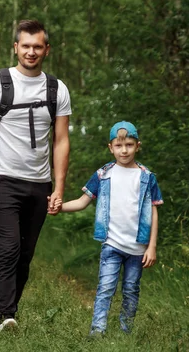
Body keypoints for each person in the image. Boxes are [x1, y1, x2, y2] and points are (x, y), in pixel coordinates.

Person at [0, 20, 72, 330]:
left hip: (39, 184)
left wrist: (58, 187)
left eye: (37, 46)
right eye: (25, 46)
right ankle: (5, 316)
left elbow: (61, 141)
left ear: (46, 50)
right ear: (15, 47)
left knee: (25, 254)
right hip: (1, 178)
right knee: (9, 248)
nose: (31, 52)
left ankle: (10, 309)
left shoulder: (57, 89)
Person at [53, 121, 163, 336]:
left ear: (137, 146)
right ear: (110, 147)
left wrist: (152, 247)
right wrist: (59, 208)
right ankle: (97, 331)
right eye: (119, 146)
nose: (124, 150)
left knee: (131, 290)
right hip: (111, 244)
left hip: (138, 248)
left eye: (129, 145)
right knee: (105, 289)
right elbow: (83, 201)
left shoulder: (147, 177)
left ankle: (126, 332)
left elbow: (154, 212)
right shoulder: (103, 174)